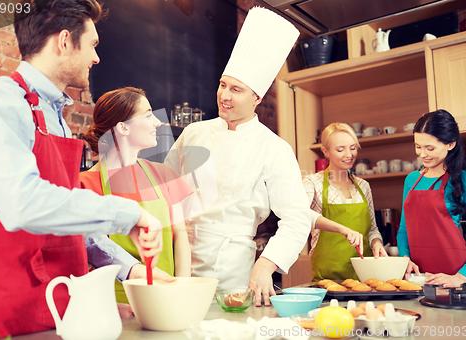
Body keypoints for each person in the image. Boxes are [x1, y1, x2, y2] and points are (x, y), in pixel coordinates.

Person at [0, 0, 161, 337]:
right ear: (63, 41)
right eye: (92, 44)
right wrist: (128, 213)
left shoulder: (55, 117)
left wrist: (129, 270)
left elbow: (67, 225)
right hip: (4, 314)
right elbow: (23, 204)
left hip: (59, 307)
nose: (96, 58)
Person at [164, 7, 346, 306]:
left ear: (257, 98)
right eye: (223, 85)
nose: (225, 95)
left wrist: (267, 264)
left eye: (236, 89)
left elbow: (297, 217)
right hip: (177, 257)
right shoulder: (194, 132)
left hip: (232, 265)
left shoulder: (274, 148)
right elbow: (163, 189)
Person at [80, 87, 193, 303]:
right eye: (149, 115)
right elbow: (89, 253)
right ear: (123, 127)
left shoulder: (164, 175)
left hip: (167, 296)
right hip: (114, 303)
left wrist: (182, 290)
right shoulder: (84, 184)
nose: (157, 123)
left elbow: (181, 239)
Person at [303, 123, 387, 281]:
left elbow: (372, 229)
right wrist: (343, 229)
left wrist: (376, 243)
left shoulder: (363, 186)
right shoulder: (312, 183)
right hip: (328, 278)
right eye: (340, 149)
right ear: (325, 151)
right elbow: (301, 214)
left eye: (353, 148)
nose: (349, 155)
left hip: (365, 277)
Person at [397, 109, 466, 288]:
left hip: (455, 280)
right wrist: (404, 259)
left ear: (450, 144)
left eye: (430, 148)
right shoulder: (412, 180)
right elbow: (404, 230)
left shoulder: (464, 179)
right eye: (418, 146)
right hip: (418, 279)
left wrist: (461, 277)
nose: (422, 154)